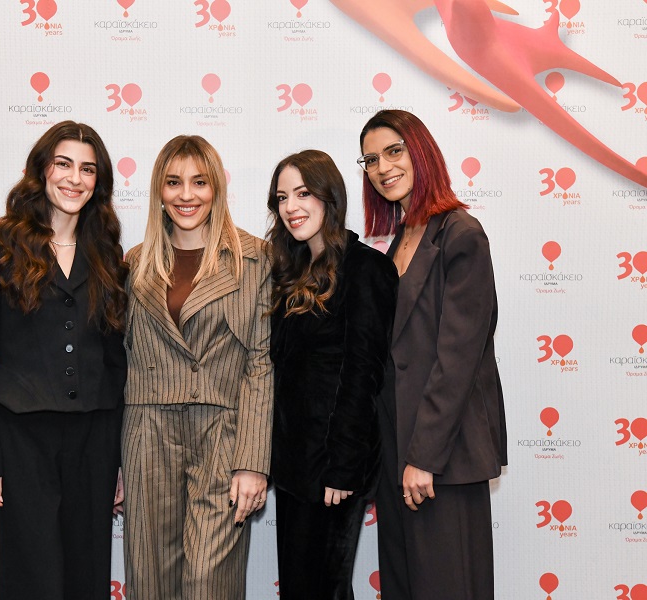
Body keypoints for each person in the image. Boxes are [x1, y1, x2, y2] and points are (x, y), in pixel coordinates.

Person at [0, 121, 128, 599]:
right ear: (41, 170)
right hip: (21, 438)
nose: (75, 178)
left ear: (99, 182)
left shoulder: (108, 255)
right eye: (63, 164)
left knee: (87, 574)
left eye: (88, 169)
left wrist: (119, 459)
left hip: (94, 438)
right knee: (30, 577)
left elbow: (116, 363)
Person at [358, 110, 507, 600]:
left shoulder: (461, 234)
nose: (383, 167)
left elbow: (456, 362)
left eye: (393, 152)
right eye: (371, 160)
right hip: (395, 454)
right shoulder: (399, 240)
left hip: (443, 460)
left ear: (421, 152)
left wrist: (423, 457)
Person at [122, 135, 273, 600]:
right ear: (158, 191)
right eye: (173, 182)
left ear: (216, 188)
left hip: (222, 436)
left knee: (211, 582)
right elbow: (120, 360)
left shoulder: (254, 259)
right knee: (150, 580)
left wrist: (253, 462)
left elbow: (261, 363)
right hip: (147, 433)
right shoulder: (134, 264)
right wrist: (114, 463)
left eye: (199, 182)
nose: (186, 195)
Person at [267, 150, 398, 600]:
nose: (291, 207)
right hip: (293, 464)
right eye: (282, 197)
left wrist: (342, 467)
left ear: (330, 198)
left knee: (325, 589)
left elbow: (364, 372)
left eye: (303, 193)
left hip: (333, 468)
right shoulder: (290, 271)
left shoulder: (366, 268)